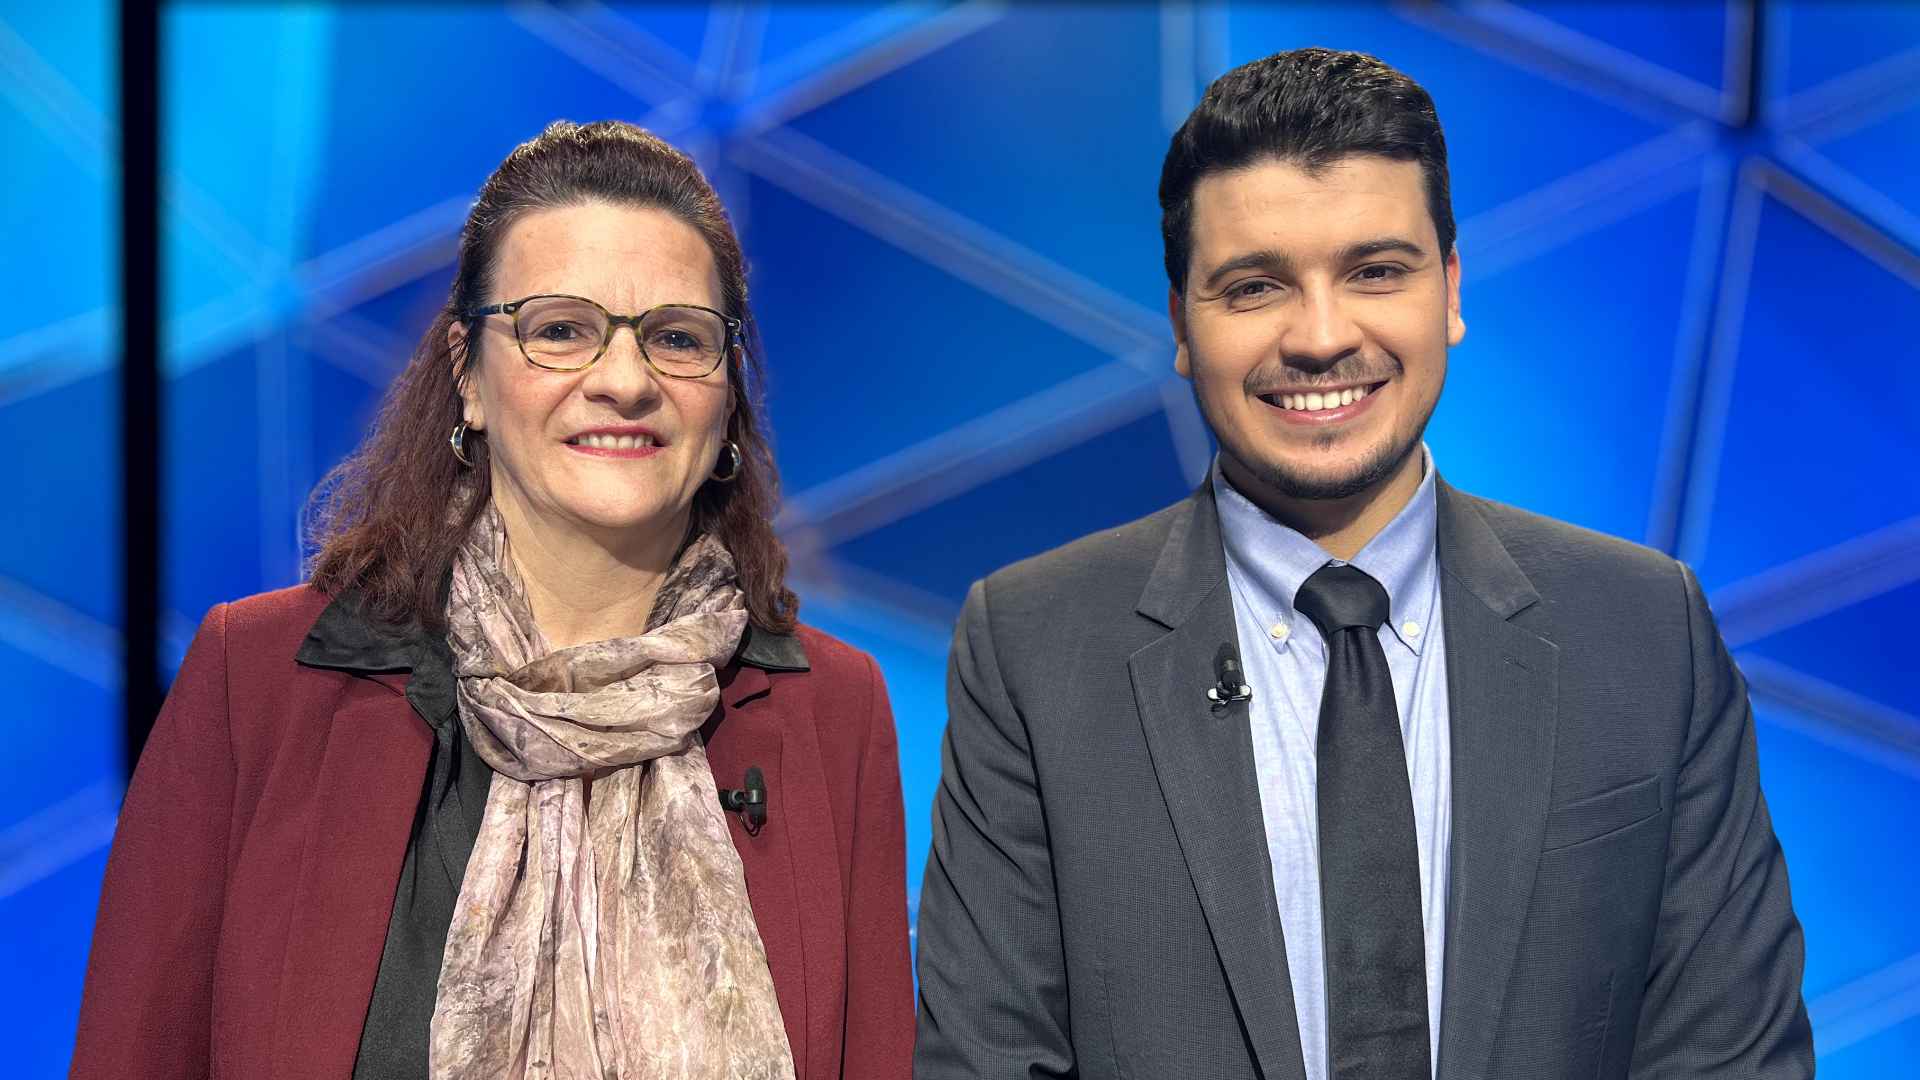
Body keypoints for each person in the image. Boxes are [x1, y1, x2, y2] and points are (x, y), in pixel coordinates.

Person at [913, 48, 1812, 1080]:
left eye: (1376, 272)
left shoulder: (1647, 628)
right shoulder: (1031, 647)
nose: (1321, 336)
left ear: (1451, 289)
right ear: (1180, 322)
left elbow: (1732, 1058)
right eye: (1254, 287)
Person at [72, 120, 913, 1080]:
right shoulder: (255, 679)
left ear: (727, 397)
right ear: (468, 374)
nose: (625, 381)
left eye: (677, 338)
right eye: (561, 331)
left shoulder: (836, 710)